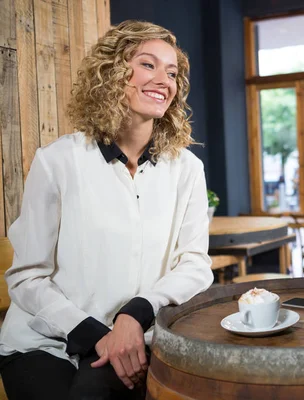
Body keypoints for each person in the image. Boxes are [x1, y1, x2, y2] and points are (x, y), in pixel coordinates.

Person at [0, 20, 214, 399]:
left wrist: (135, 313)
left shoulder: (187, 169)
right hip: (44, 340)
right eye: (148, 65)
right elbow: (27, 277)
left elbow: (195, 264)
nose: (163, 79)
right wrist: (97, 337)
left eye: (172, 72)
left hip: (136, 337)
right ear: (112, 73)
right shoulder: (57, 162)